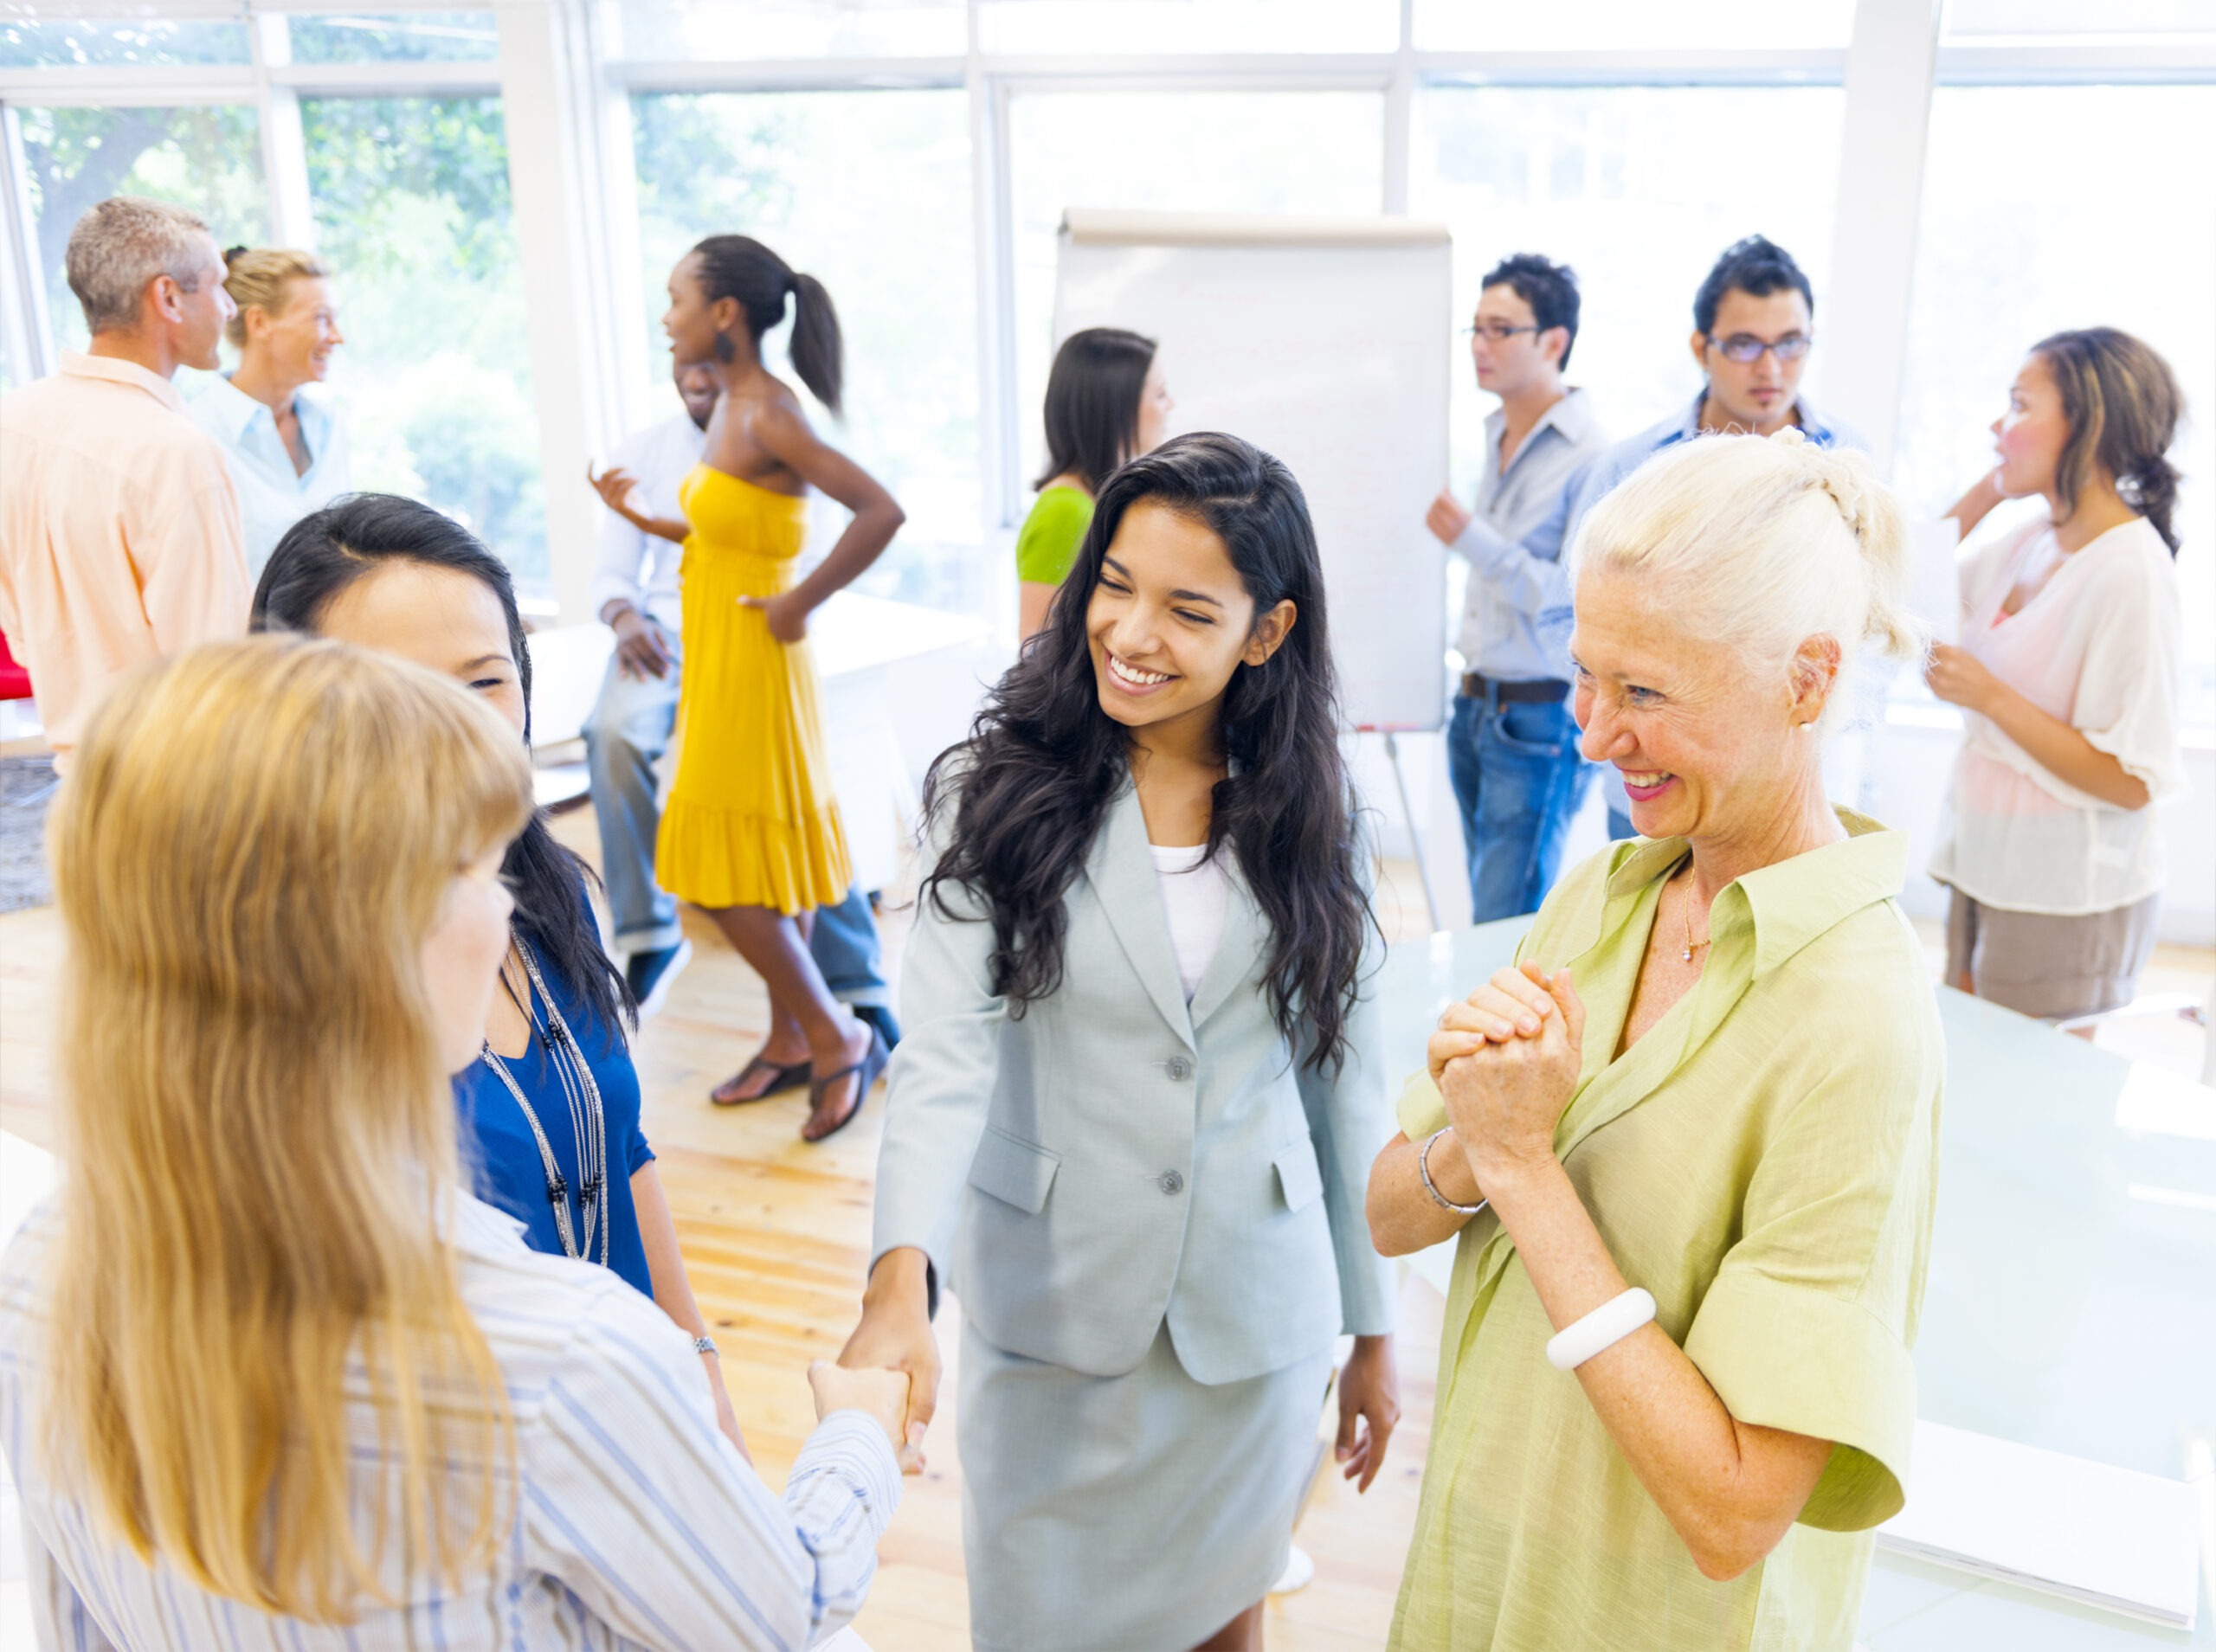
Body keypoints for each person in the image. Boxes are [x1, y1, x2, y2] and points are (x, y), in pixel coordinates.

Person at [0, 636, 911, 1649]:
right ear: (369, 941)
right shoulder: (554, 1360)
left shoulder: (42, 1269)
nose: (510, 906)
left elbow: (74, 1621)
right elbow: (779, 1613)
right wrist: (857, 1432)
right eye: (478, 873)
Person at [1369, 431, 1939, 1650]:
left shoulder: (1859, 1021)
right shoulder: (1604, 898)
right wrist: (1478, 1143)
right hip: (1479, 1567)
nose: (1589, 734)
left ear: (1806, 682)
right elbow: (1389, 1211)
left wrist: (1521, 1169)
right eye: (1586, 674)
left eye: (1645, 693)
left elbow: (1735, 1510)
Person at [841, 433, 1401, 1652]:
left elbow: (1340, 1080)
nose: (1131, 633)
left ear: (1267, 630)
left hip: (1254, 1321)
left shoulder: (1316, 815)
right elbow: (944, 1056)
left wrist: (1375, 1325)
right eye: (1115, 584)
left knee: (1224, 1629)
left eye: (1188, 609)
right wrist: (899, 1288)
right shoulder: (987, 795)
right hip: (1057, 1311)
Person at [254, 493, 745, 1450]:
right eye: (397, 691)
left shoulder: (543, 884)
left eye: (484, 681)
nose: (456, 730)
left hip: (644, 1420)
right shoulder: (290, 992)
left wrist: (698, 1362)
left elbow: (620, 1140)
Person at [635, 235, 905, 1141]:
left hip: (755, 654)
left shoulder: (767, 410)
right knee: (748, 855)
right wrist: (639, 518)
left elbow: (880, 510)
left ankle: (834, 1033)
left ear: (724, 314)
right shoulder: (730, 408)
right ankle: (790, 1033)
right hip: (721, 647)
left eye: (676, 298)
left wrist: (798, 602)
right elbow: (738, 526)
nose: (665, 314)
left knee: (710, 869)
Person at [585, 363, 901, 1045]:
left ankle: (852, 988)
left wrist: (795, 605)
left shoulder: (770, 423)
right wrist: (623, 616)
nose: (692, 369)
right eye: (679, 353)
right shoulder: (643, 448)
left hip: (747, 626)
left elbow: (805, 540)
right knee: (612, 732)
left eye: (705, 355)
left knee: (789, 804)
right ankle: (649, 935)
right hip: (663, 634)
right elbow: (613, 569)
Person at [1547, 234, 1865, 840]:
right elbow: (1562, 617)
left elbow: (1868, 628)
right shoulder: (1631, 467)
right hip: (1656, 779)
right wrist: (1639, 694)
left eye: (1790, 343)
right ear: (1702, 346)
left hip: (1798, 788)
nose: (1770, 368)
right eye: (1745, 344)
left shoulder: (1848, 463)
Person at [1925, 327, 2186, 1023]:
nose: (1995, 424)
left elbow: (2132, 781)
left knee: (2039, 1113)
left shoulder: (2131, 572)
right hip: (1985, 866)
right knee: (1972, 1081)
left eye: (2018, 406)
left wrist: (1987, 695)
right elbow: (1907, 583)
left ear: (2089, 426)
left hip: (2067, 896)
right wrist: (1996, 481)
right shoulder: (2033, 537)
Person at [0, 196, 246, 771]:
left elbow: (21, 628)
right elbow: (217, 673)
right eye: (219, 285)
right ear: (167, 298)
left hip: (79, 777)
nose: (230, 308)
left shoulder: (12, 421)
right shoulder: (176, 453)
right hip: (180, 780)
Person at [1422, 254, 1610, 920]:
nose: (1480, 346)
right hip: (1476, 706)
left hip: (1537, 718)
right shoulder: (1496, 430)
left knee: (1505, 920)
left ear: (1553, 341)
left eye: (1500, 330)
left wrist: (1470, 537)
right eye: (1475, 329)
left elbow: (1575, 598)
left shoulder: (1591, 454)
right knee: (1489, 910)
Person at [186, 246, 353, 576]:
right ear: (260, 323)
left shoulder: (329, 424)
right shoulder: (196, 436)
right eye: (322, 319)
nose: (337, 337)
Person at [1017, 325, 1172, 640]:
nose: (1170, 405)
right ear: (1116, 409)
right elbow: (1035, 643)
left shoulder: (1091, 501)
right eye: (1159, 394)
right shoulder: (1064, 510)